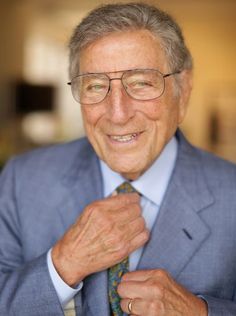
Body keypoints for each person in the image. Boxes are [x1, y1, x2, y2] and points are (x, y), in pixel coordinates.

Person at [0, 2, 236, 316]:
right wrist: (62, 266)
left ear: (183, 91)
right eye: (95, 86)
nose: (118, 113)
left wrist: (200, 312)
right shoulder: (22, 179)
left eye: (140, 83)